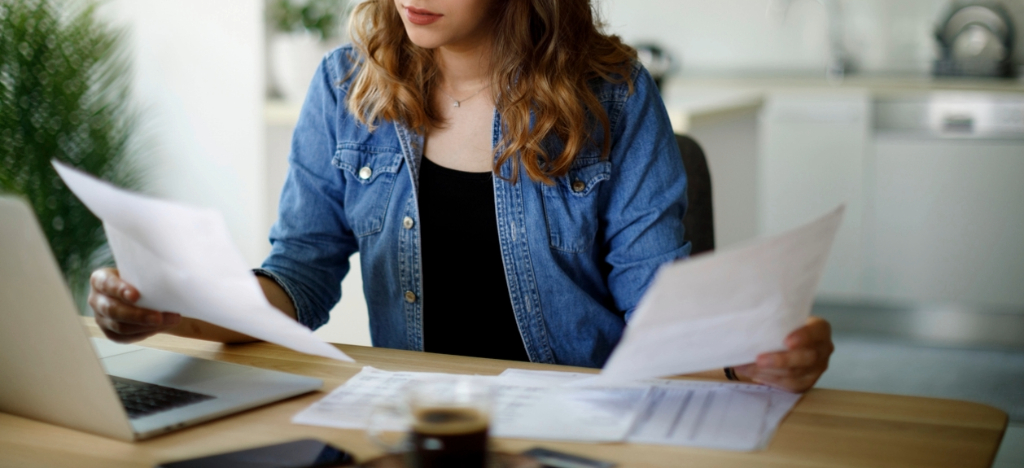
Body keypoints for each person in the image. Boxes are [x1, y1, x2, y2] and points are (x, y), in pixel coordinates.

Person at [88, 0, 834, 392]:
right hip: (417, 426)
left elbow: (659, 313)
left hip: (578, 430)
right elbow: (301, 273)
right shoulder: (346, 88)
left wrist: (749, 360)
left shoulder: (616, 97)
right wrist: (179, 308)